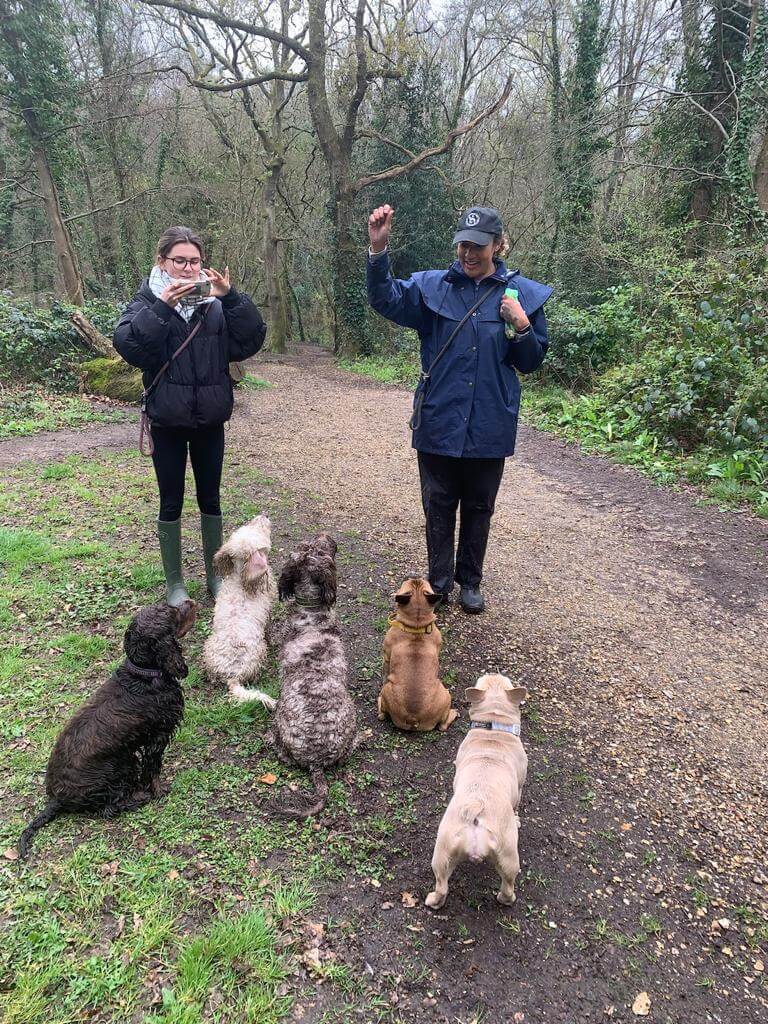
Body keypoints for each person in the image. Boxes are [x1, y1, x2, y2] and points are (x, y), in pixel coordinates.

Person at [367, 204, 552, 614]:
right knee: (438, 503)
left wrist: (522, 325)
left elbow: (531, 362)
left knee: (479, 505)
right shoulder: (433, 287)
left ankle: (470, 581)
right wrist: (378, 251)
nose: (468, 254)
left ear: (498, 245)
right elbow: (385, 298)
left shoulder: (520, 295)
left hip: (490, 420)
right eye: (463, 245)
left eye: (478, 247)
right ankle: (439, 580)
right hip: (439, 417)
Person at [114, 225, 266, 606]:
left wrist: (231, 297)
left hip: (209, 421)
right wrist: (162, 308)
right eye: (179, 260)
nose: (187, 268)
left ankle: (216, 577)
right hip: (166, 420)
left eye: (194, 261)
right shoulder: (147, 300)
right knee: (171, 501)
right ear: (162, 261)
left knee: (210, 499)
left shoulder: (214, 304)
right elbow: (129, 345)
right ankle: (175, 584)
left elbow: (252, 338)